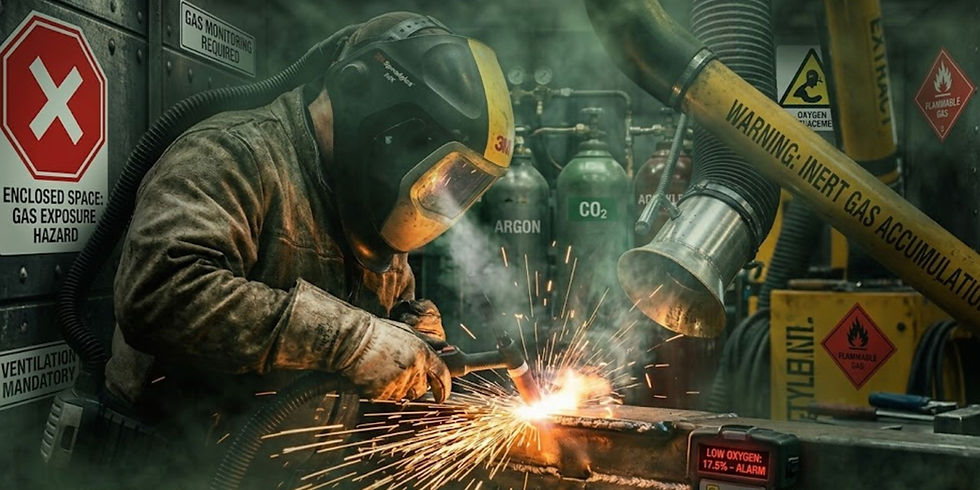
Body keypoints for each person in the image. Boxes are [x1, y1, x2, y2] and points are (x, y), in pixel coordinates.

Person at [101, 11, 514, 485]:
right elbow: (159, 294)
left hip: (283, 472)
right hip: (168, 470)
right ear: (377, 110)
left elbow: (379, 330)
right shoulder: (231, 154)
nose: (437, 192)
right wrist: (352, 340)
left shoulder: (368, 204)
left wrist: (408, 337)